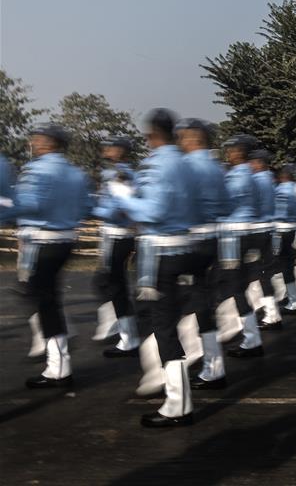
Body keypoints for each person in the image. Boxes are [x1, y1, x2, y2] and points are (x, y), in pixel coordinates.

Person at [106, 109, 198, 427]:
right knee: (168, 321)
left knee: (162, 325)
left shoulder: (159, 163)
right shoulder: (186, 163)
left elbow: (155, 211)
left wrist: (124, 198)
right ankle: (179, 398)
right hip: (183, 248)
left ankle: (178, 404)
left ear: (152, 136)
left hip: (161, 252)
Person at [4, 124, 91, 388]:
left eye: (37, 139)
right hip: (66, 240)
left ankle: (58, 368)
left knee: (43, 301)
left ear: (48, 142)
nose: (34, 142)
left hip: (43, 242)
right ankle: (59, 362)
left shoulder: (37, 169)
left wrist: (5, 208)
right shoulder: (76, 173)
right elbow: (86, 207)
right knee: (47, 298)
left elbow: (30, 203)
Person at [177, 118, 231, 390]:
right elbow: (227, 206)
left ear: (194, 139)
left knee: (176, 303)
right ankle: (212, 362)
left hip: (190, 240)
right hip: (212, 238)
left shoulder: (186, 167)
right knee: (200, 300)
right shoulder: (216, 167)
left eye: (184, 137)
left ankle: (188, 359)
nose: (180, 142)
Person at [91, 136, 140, 357]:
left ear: (121, 150)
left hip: (117, 234)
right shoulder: (126, 173)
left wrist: (92, 208)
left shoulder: (118, 174)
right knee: (110, 283)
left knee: (112, 285)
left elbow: (117, 208)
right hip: (122, 234)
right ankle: (121, 330)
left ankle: (127, 338)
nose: (106, 149)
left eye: (111, 146)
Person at [219, 135, 265, 358]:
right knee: (235, 287)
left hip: (236, 234)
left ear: (240, 152)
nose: (229, 153)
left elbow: (223, 201)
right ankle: (249, 335)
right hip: (240, 232)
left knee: (234, 288)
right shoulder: (246, 175)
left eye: (232, 149)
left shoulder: (241, 176)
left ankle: (251, 338)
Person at [249, 148, 282, 330]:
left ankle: (271, 315)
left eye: (252, 162)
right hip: (271, 229)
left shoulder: (256, 181)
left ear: (260, 163)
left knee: (261, 274)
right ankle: (272, 312)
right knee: (266, 273)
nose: (249, 165)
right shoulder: (271, 180)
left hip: (259, 231)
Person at [273, 163, 296, 314]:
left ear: (283, 176)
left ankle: (294, 301)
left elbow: (279, 212)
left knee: (285, 267)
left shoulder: (280, 190)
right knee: (292, 264)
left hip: (282, 230)